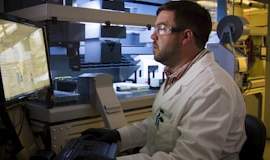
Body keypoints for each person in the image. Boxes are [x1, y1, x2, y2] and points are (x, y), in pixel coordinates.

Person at [81, 1, 247, 160]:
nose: (152, 36)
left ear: (186, 36)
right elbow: (159, 125)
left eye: (161, 29)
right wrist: (118, 135)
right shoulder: (176, 74)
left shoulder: (212, 89)